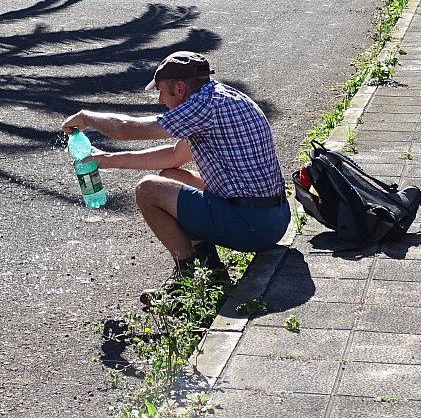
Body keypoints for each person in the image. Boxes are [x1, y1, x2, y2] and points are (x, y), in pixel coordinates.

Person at [60, 51, 290, 297]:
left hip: (252, 227)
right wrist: (107, 159)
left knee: (148, 190)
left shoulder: (203, 107)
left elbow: (127, 129)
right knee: (172, 177)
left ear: (179, 88)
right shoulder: (222, 98)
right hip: (274, 218)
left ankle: (188, 279)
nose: (160, 99)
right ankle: (210, 267)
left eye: (161, 90)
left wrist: (87, 118)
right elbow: (173, 155)